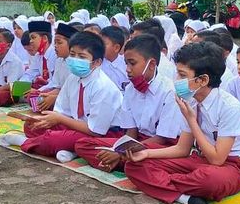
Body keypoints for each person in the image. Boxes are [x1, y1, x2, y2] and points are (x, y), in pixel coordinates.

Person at [123, 42, 240, 204]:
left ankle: (164, 183)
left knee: (209, 180)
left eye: (182, 75)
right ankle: (186, 198)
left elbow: (217, 159)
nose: (176, 79)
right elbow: (182, 149)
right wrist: (147, 154)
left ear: (203, 80)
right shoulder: (190, 100)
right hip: (197, 159)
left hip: (229, 166)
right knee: (133, 165)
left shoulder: (229, 106)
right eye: (177, 73)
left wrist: (191, 119)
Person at [0, 32, 123, 162]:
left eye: (82, 57)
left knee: (53, 139)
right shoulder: (73, 78)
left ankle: (24, 142)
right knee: (31, 126)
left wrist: (59, 119)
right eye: (72, 54)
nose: (75, 60)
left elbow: (95, 130)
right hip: (77, 125)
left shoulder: (103, 87)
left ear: (97, 62)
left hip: (102, 133)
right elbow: (62, 109)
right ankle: (69, 149)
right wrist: (49, 119)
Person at [75, 34, 182, 172]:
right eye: (126, 63)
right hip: (136, 142)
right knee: (83, 144)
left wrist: (120, 153)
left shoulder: (169, 92)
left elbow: (161, 139)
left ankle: (122, 162)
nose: (127, 69)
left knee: (142, 161)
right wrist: (121, 149)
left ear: (152, 64)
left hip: (158, 146)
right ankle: (123, 163)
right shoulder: (130, 89)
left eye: (132, 63)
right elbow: (131, 132)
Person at [30, 23, 79, 111]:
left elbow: (73, 92)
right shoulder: (59, 61)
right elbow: (56, 85)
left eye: (59, 42)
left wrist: (54, 98)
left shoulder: (76, 65)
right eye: (55, 43)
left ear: (72, 45)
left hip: (70, 100)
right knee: (35, 98)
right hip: (59, 94)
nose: (55, 46)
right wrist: (42, 93)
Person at [26, 20, 56, 89]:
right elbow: (30, 74)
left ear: (45, 38)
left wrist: (38, 91)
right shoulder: (38, 56)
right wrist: (19, 84)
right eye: (30, 38)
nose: (30, 41)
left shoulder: (56, 55)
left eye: (33, 37)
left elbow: (55, 83)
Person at [100, 26, 128, 90]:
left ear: (116, 48)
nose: (99, 46)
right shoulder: (97, 64)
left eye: (103, 44)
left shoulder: (126, 65)